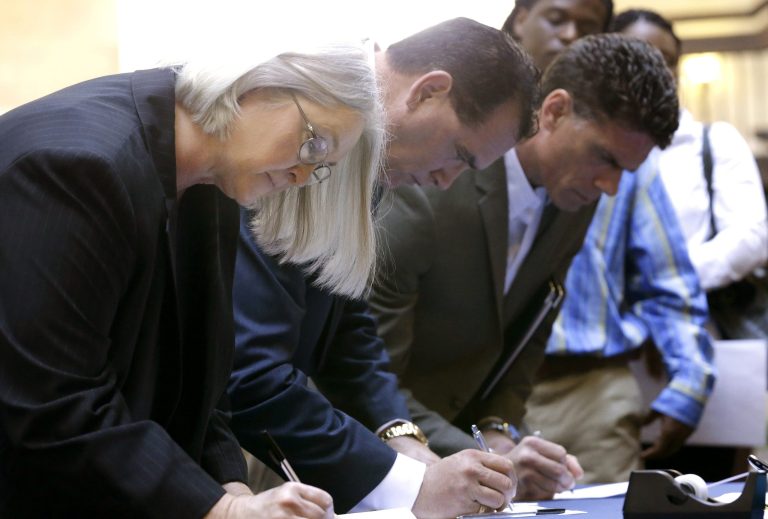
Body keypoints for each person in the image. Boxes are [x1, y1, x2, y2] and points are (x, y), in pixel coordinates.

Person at [0, 40, 386, 518]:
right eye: (315, 143)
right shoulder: (79, 167)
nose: (305, 174)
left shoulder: (210, 175)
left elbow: (200, 378)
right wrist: (220, 509)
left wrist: (232, 488)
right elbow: (51, 402)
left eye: (323, 166)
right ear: (254, 85)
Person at [227, 17, 539, 517]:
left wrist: (403, 438)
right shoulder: (299, 116)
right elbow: (249, 371)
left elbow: (346, 320)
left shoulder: (372, 152)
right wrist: (405, 483)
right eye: (458, 155)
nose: (445, 182)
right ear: (428, 91)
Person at [369, 29, 679, 502]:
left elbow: (527, 339)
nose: (611, 187)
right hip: (374, 457)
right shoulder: (431, 179)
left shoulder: (578, 199)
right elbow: (368, 372)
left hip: (458, 456)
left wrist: (499, 433)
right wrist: (485, 455)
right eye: (604, 158)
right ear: (554, 111)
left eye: (624, 172)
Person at [519, 8, 719, 483]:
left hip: (591, 391)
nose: (570, 34)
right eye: (556, 17)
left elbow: (669, 280)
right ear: (519, 16)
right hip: (476, 392)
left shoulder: (631, 161)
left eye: (587, 26)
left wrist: (689, 386)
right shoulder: (478, 138)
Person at [614, 8, 768, 340]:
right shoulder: (593, 151)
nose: (656, 70)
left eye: (667, 60)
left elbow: (751, 238)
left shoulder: (716, 141)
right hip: (615, 333)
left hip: (709, 322)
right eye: (638, 57)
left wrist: (661, 282)